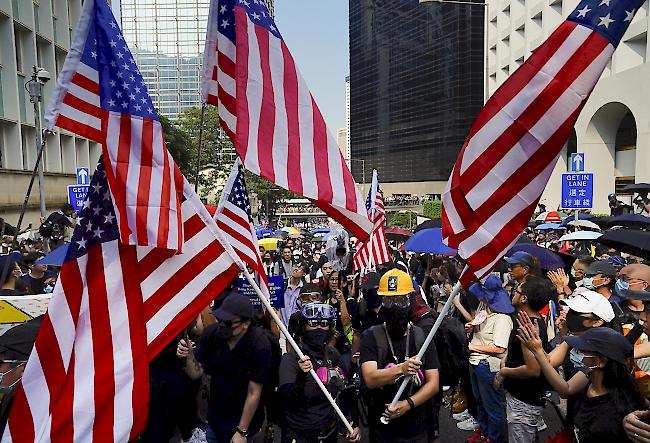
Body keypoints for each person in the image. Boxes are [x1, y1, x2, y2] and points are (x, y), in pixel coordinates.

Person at [518, 321, 645, 443]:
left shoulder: (607, 421)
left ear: (600, 361)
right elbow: (565, 389)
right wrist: (538, 351)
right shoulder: (591, 379)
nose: (573, 353)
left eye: (580, 350)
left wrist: (539, 352)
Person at [176, 293, 273, 443]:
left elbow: (254, 391)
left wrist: (242, 431)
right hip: (217, 418)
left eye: (228, 322)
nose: (222, 324)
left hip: (246, 420)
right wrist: (188, 357)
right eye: (220, 319)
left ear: (245, 324)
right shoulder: (212, 335)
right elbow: (195, 373)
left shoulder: (259, 344)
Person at [360, 269, 440, 443]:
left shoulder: (422, 337)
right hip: (382, 427)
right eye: (389, 300)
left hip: (416, 426)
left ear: (410, 301)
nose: (395, 306)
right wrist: (401, 369)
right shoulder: (371, 337)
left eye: (401, 300)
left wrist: (408, 404)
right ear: (382, 302)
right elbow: (370, 378)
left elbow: (433, 383)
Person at [278, 302, 361, 443]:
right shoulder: (292, 359)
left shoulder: (333, 355)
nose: (319, 328)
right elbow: (287, 400)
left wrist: (354, 421)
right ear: (304, 326)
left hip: (328, 432)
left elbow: (348, 390)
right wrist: (301, 376)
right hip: (299, 434)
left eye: (323, 324)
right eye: (313, 323)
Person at [495, 276, 553, 443]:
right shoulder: (533, 321)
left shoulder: (527, 327)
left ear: (524, 298)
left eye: (517, 290)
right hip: (526, 397)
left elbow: (532, 369)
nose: (513, 293)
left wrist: (503, 372)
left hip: (523, 400)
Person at [466, 275, 514, 443]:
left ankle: (495, 439)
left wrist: (472, 347)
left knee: (493, 407)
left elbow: (499, 347)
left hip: (488, 365)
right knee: (480, 403)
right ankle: (484, 434)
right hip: (476, 363)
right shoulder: (485, 311)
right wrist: (471, 328)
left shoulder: (503, 318)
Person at [280, 261, 306, 327]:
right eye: (295, 266)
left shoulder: (305, 289)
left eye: (300, 268)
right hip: (281, 329)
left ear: (304, 274)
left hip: (296, 329)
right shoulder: (281, 285)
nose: (296, 269)